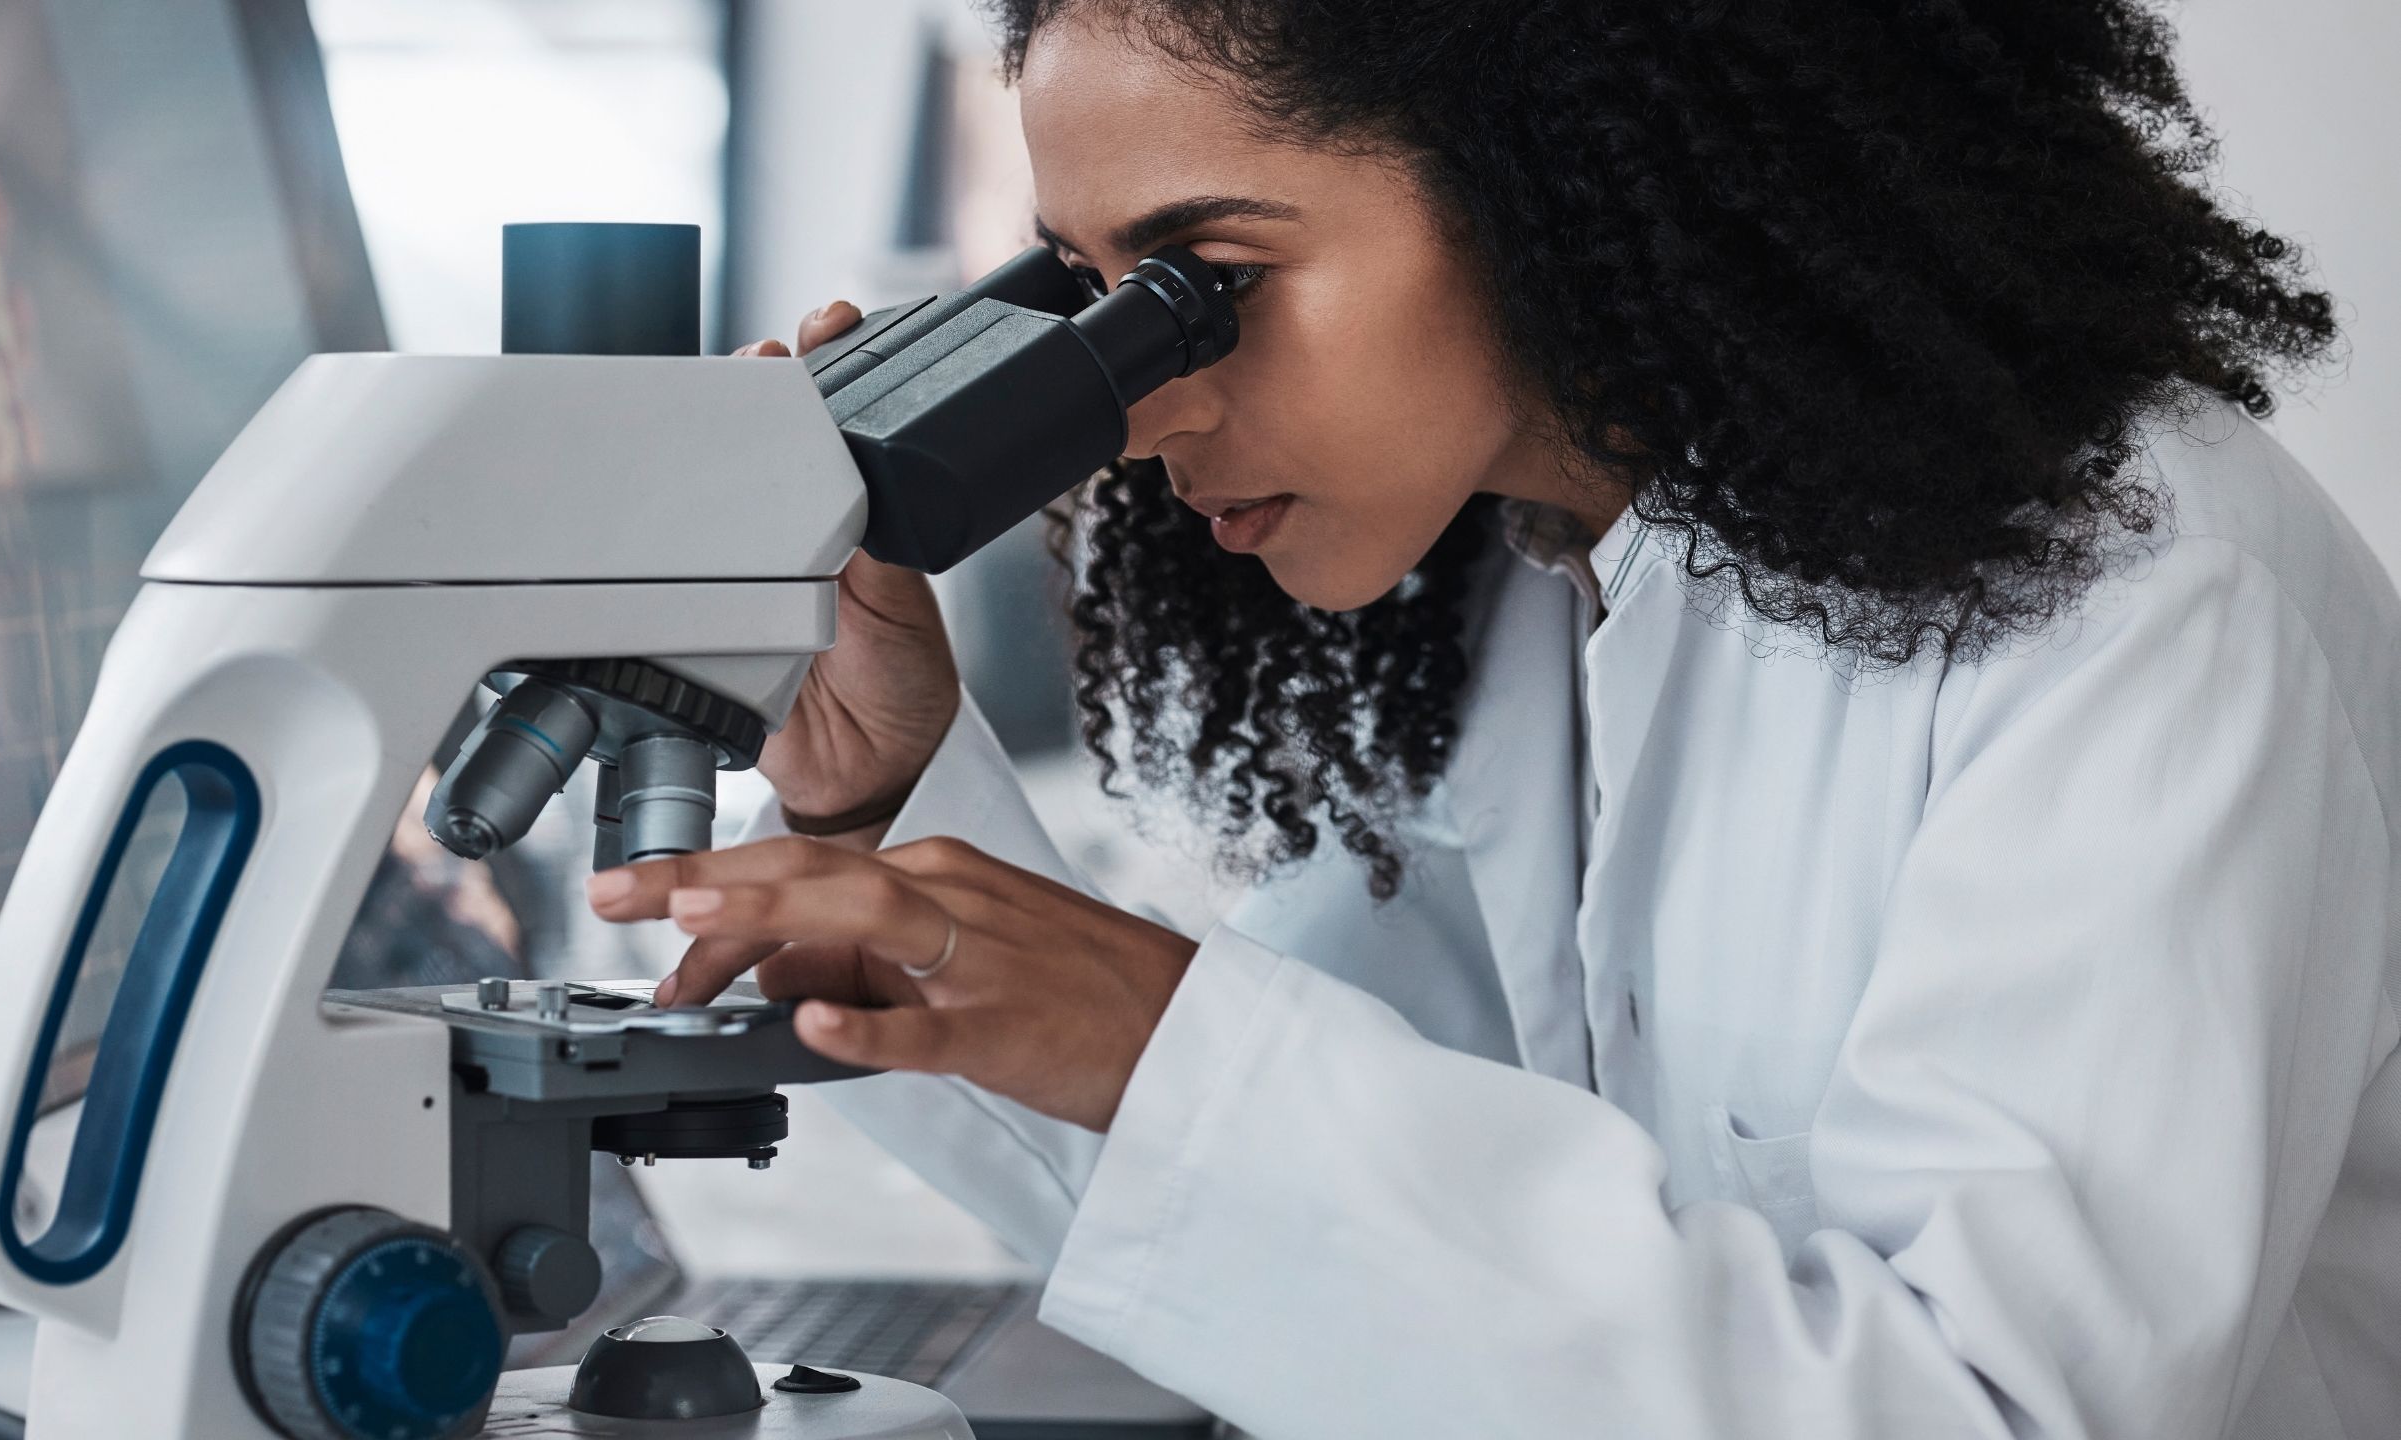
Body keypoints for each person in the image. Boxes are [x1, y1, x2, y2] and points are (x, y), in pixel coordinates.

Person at [587, 4, 2400, 1435]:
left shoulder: (2142, 604)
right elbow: (1294, 1271)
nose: (1136, 415)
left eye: (1200, 286)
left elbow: (1988, 1409)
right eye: (1090, 301)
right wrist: (879, 792)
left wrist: (1170, 1043)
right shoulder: (1535, 579)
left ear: (1551, 185)